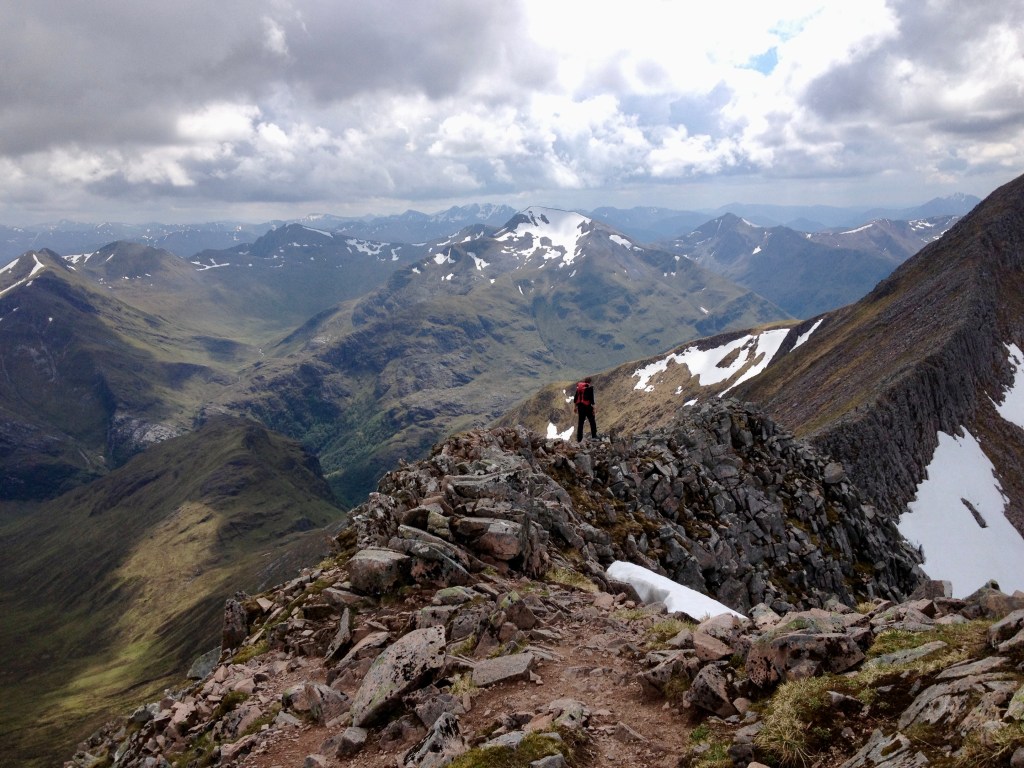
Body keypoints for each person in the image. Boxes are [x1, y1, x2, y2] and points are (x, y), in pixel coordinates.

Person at [572, 376, 598, 441]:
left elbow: (575, 399)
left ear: (584, 381)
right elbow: (592, 400)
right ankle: (594, 436)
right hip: (587, 407)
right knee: (592, 421)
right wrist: (594, 409)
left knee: (580, 423)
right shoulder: (590, 388)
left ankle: (579, 439)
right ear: (590, 382)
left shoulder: (579, 388)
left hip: (580, 407)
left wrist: (575, 407)